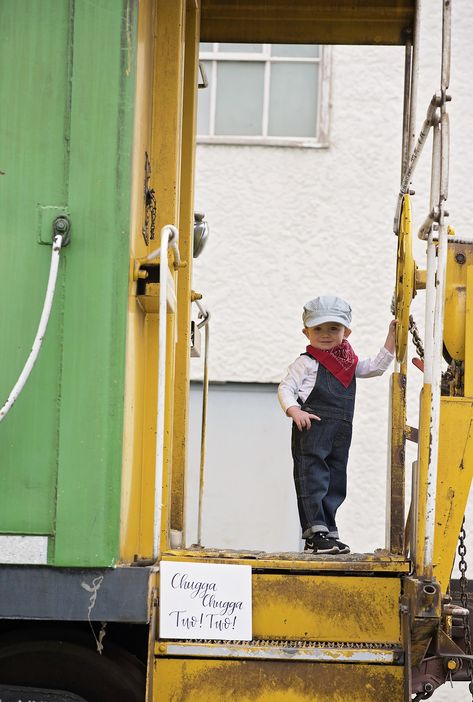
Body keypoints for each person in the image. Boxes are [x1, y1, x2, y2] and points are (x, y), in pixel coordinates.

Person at [278, 296, 396, 555]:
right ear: (306, 332)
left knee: (335, 480)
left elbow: (376, 367)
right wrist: (294, 409)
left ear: (346, 332)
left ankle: (328, 529)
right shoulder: (306, 362)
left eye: (333, 328)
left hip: (340, 432)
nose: (326, 335)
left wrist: (392, 338)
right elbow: (287, 387)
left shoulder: (349, 364)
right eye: (318, 329)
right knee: (313, 478)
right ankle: (314, 533)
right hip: (313, 430)